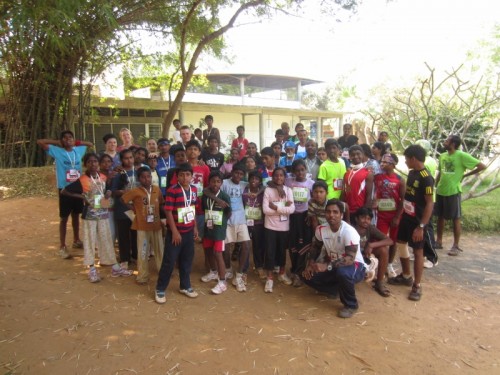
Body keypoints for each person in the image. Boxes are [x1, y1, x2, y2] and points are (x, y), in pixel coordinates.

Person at [61, 153, 132, 282]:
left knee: (106, 239)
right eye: (89, 162)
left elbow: (107, 191)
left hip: (103, 212)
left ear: (97, 163)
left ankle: (114, 266)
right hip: (90, 214)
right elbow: (64, 191)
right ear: (85, 164)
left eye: (95, 161)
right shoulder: (82, 179)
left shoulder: (103, 177)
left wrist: (108, 193)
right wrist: (83, 197)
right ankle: (92, 269)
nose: (93, 164)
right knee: (90, 240)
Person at [301, 199, 366, 319]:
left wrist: (326, 266)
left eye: (335, 212)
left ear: (341, 215)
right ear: (325, 214)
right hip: (334, 264)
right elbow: (315, 247)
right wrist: (310, 264)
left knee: (343, 273)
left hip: (355, 266)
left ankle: (351, 305)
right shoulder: (321, 229)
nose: (331, 215)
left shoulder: (349, 231)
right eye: (328, 212)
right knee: (306, 276)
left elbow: (350, 258)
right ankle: (334, 290)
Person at [37, 130, 93, 258]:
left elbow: (89, 143)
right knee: (64, 217)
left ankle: (76, 240)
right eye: (65, 138)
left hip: (78, 187)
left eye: (70, 137)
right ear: (61, 140)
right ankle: (62, 246)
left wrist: (75, 143)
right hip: (64, 188)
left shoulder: (78, 150)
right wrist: (58, 142)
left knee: (76, 214)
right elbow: (40, 142)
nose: (68, 139)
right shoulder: (57, 150)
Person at [388, 145, 434, 302]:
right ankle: (406, 275)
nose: (406, 162)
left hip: (417, 221)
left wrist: (421, 226)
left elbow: (429, 204)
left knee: (418, 251)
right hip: (406, 217)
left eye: (407, 159)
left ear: (414, 159)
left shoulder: (426, 177)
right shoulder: (412, 172)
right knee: (401, 242)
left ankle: (417, 285)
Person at [155, 163, 199, 304]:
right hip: (176, 233)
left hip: (188, 232)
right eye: (181, 175)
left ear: (192, 176)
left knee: (186, 260)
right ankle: (160, 288)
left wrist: (195, 227)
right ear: (177, 176)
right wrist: (174, 231)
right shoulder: (172, 190)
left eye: (187, 174)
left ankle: (185, 286)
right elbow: (168, 211)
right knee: (169, 261)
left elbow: (193, 209)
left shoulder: (194, 189)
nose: (185, 178)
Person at [435, 135, 485, 255]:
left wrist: (466, 175)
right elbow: (441, 172)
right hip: (441, 191)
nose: (444, 142)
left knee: (455, 218)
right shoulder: (442, 156)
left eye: (447, 141)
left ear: (453, 144)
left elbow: (482, 166)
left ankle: (456, 245)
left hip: (453, 191)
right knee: (440, 217)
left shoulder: (461, 155)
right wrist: (435, 185)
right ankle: (439, 241)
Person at [122, 167, 165, 284]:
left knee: (160, 250)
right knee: (143, 251)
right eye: (143, 177)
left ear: (151, 177)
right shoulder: (136, 191)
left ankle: (163, 272)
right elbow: (123, 200)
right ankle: (142, 275)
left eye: (148, 176)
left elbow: (161, 204)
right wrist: (134, 209)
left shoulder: (157, 190)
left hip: (156, 226)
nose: (146, 179)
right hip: (142, 226)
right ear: (139, 179)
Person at [262, 167, 295, 292]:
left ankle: (281, 273)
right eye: (276, 175)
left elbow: (291, 209)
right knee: (270, 252)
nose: (279, 178)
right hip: (270, 226)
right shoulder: (268, 190)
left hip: (284, 227)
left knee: (282, 251)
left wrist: (275, 207)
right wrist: (283, 208)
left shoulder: (288, 190)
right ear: (272, 177)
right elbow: (265, 210)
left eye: (281, 175)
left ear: (284, 177)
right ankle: (269, 278)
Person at [220, 164, 252, 291]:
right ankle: (228, 269)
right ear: (231, 172)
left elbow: (262, 185)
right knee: (226, 246)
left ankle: (239, 275)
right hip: (227, 219)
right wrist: (219, 201)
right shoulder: (224, 183)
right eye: (236, 173)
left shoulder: (244, 184)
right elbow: (208, 190)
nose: (238, 176)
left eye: (241, 174)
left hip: (241, 219)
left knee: (246, 244)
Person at [200, 171, 232, 294]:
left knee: (218, 253)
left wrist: (222, 223)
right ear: (209, 182)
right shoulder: (206, 196)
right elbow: (204, 209)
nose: (215, 183)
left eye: (218, 181)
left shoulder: (224, 196)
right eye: (213, 181)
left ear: (221, 183)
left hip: (219, 230)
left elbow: (229, 212)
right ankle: (213, 271)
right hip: (208, 227)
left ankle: (222, 281)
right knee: (208, 250)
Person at [374, 153, 405, 278]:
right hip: (381, 215)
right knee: (380, 241)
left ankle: (389, 264)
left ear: (393, 164)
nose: (382, 164)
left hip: (394, 215)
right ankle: (379, 265)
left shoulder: (400, 180)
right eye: (381, 161)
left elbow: (403, 200)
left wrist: (397, 216)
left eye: (385, 162)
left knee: (393, 241)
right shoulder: (377, 177)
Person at [286, 159, 314, 287]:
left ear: (306, 170)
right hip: (291, 217)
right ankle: (293, 269)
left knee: (304, 244)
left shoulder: (311, 184)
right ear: (293, 172)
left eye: (302, 170)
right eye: (297, 170)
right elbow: (273, 182)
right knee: (293, 243)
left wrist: (312, 214)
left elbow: (314, 199)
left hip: (305, 217)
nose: (300, 172)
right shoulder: (289, 182)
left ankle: (299, 272)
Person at [353, 207, 393, 297]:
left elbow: (390, 241)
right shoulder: (351, 229)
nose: (365, 221)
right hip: (352, 255)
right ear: (356, 218)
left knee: (384, 250)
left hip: (365, 255)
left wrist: (371, 245)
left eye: (368, 219)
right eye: (363, 218)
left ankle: (379, 283)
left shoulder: (370, 228)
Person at [111, 149, 138, 269]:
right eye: (126, 158)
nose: (129, 160)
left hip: (136, 208)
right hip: (122, 209)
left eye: (131, 157)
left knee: (136, 234)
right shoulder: (118, 174)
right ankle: (124, 258)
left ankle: (136, 256)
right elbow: (113, 191)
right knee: (123, 235)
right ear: (121, 160)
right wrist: (124, 192)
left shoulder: (138, 171)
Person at [243, 171, 266, 279]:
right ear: (248, 179)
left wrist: (257, 193)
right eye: (252, 178)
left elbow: (267, 186)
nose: (254, 181)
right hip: (245, 222)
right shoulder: (244, 190)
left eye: (257, 179)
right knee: (245, 246)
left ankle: (259, 267)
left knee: (258, 246)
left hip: (259, 223)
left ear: (260, 181)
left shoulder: (263, 192)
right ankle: (244, 269)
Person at [342, 145, 374, 222]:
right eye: (352, 155)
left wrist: (365, 212)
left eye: (358, 154)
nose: (355, 156)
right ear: (349, 157)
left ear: (362, 155)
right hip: (348, 211)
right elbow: (344, 193)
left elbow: (369, 195)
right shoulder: (347, 173)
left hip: (360, 211)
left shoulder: (368, 173)